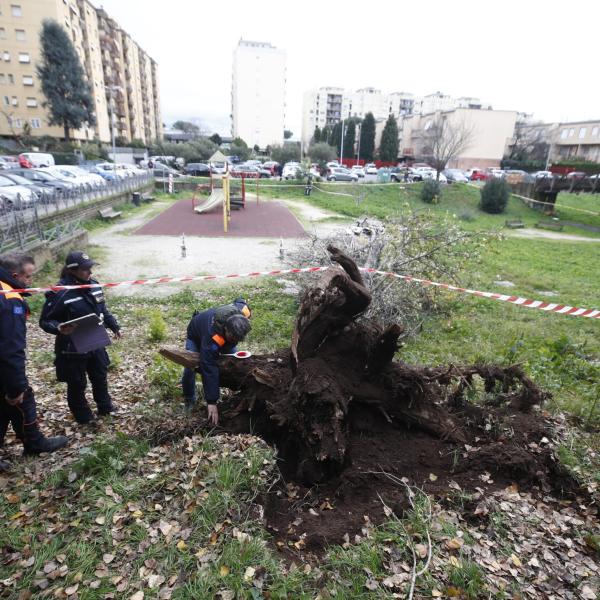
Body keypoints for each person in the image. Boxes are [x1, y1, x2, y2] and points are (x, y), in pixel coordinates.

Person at [0, 253, 68, 469]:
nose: (31, 282)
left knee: (6, 404)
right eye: (28, 277)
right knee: (21, 398)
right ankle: (34, 442)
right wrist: (17, 385)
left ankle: (32, 441)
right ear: (15, 275)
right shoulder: (10, 299)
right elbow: (10, 347)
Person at [39, 251, 121, 425]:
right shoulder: (60, 292)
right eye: (85, 269)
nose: (89, 273)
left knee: (100, 375)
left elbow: (102, 309)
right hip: (72, 346)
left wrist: (114, 326)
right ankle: (84, 417)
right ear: (72, 271)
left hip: (95, 339)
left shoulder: (95, 285)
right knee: (77, 382)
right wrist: (59, 328)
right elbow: (45, 321)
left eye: (90, 268)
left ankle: (105, 407)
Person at [182, 299, 251, 424]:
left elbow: (240, 302)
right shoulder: (211, 336)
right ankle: (189, 399)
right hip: (195, 336)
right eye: (233, 337)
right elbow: (208, 366)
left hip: (220, 337)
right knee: (189, 369)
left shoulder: (241, 315)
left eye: (238, 339)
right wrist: (211, 401)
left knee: (234, 361)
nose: (235, 340)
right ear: (226, 329)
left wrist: (241, 301)